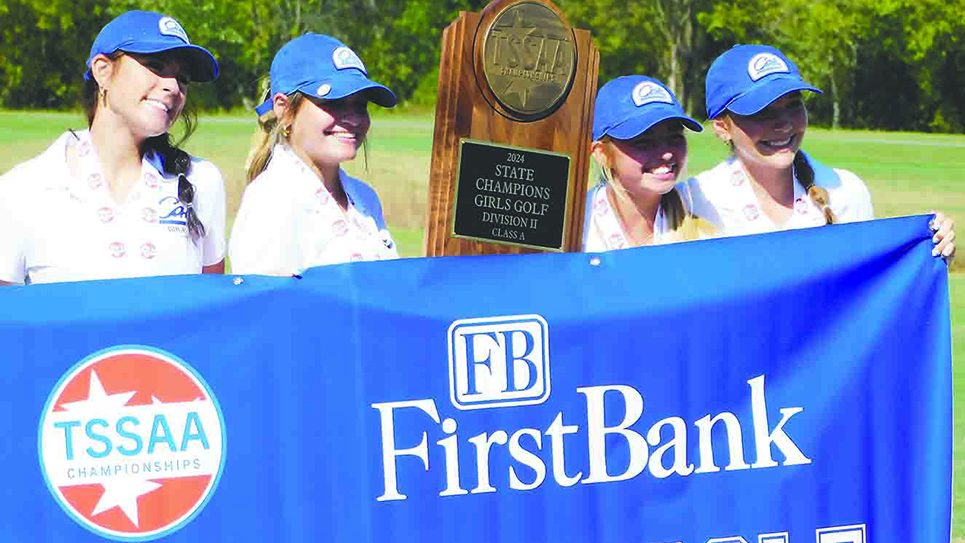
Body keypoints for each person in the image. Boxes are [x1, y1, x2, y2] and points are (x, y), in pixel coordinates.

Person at [0, 11, 227, 285]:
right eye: (155, 65)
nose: (173, 87)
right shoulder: (21, 190)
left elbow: (211, 303)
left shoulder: (202, 180)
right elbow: (10, 319)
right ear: (102, 71)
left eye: (183, 78)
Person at [687, 44, 955, 261]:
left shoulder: (846, 190)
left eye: (793, 105)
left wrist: (929, 246)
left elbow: (870, 294)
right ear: (722, 127)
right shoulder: (694, 201)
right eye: (762, 111)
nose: (783, 124)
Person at [229, 33, 399, 275]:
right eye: (334, 102)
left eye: (360, 105)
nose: (352, 118)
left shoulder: (365, 198)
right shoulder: (270, 201)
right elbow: (263, 308)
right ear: (284, 109)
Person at [583, 75, 714, 252]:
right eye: (644, 142)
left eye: (674, 138)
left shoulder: (706, 208)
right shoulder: (578, 224)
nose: (666, 154)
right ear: (601, 153)